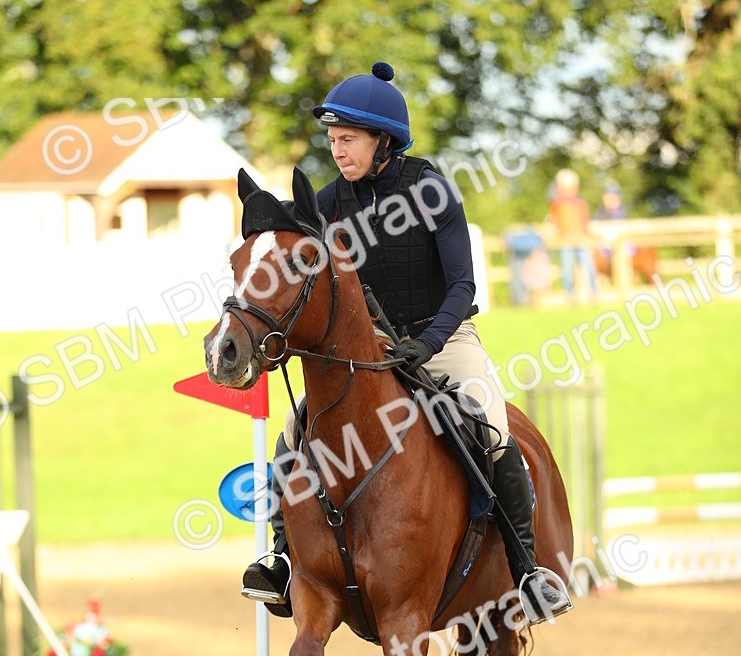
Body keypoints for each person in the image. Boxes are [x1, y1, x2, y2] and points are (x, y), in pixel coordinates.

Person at [241, 62, 570, 624]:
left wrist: (428, 342)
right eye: (332, 140)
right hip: (368, 353)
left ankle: (528, 571)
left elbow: (464, 284)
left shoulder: (431, 191)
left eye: (347, 140)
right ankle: (280, 560)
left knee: (489, 424)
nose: (337, 150)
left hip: (444, 338)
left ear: (382, 140)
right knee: (297, 428)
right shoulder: (326, 205)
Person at [547, 168, 596, 301]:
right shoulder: (557, 204)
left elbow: (585, 223)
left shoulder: (580, 204)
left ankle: (593, 294)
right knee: (567, 271)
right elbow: (553, 222)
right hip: (566, 242)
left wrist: (591, 237)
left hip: (581, 241)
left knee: (589, 268)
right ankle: (570, 296)